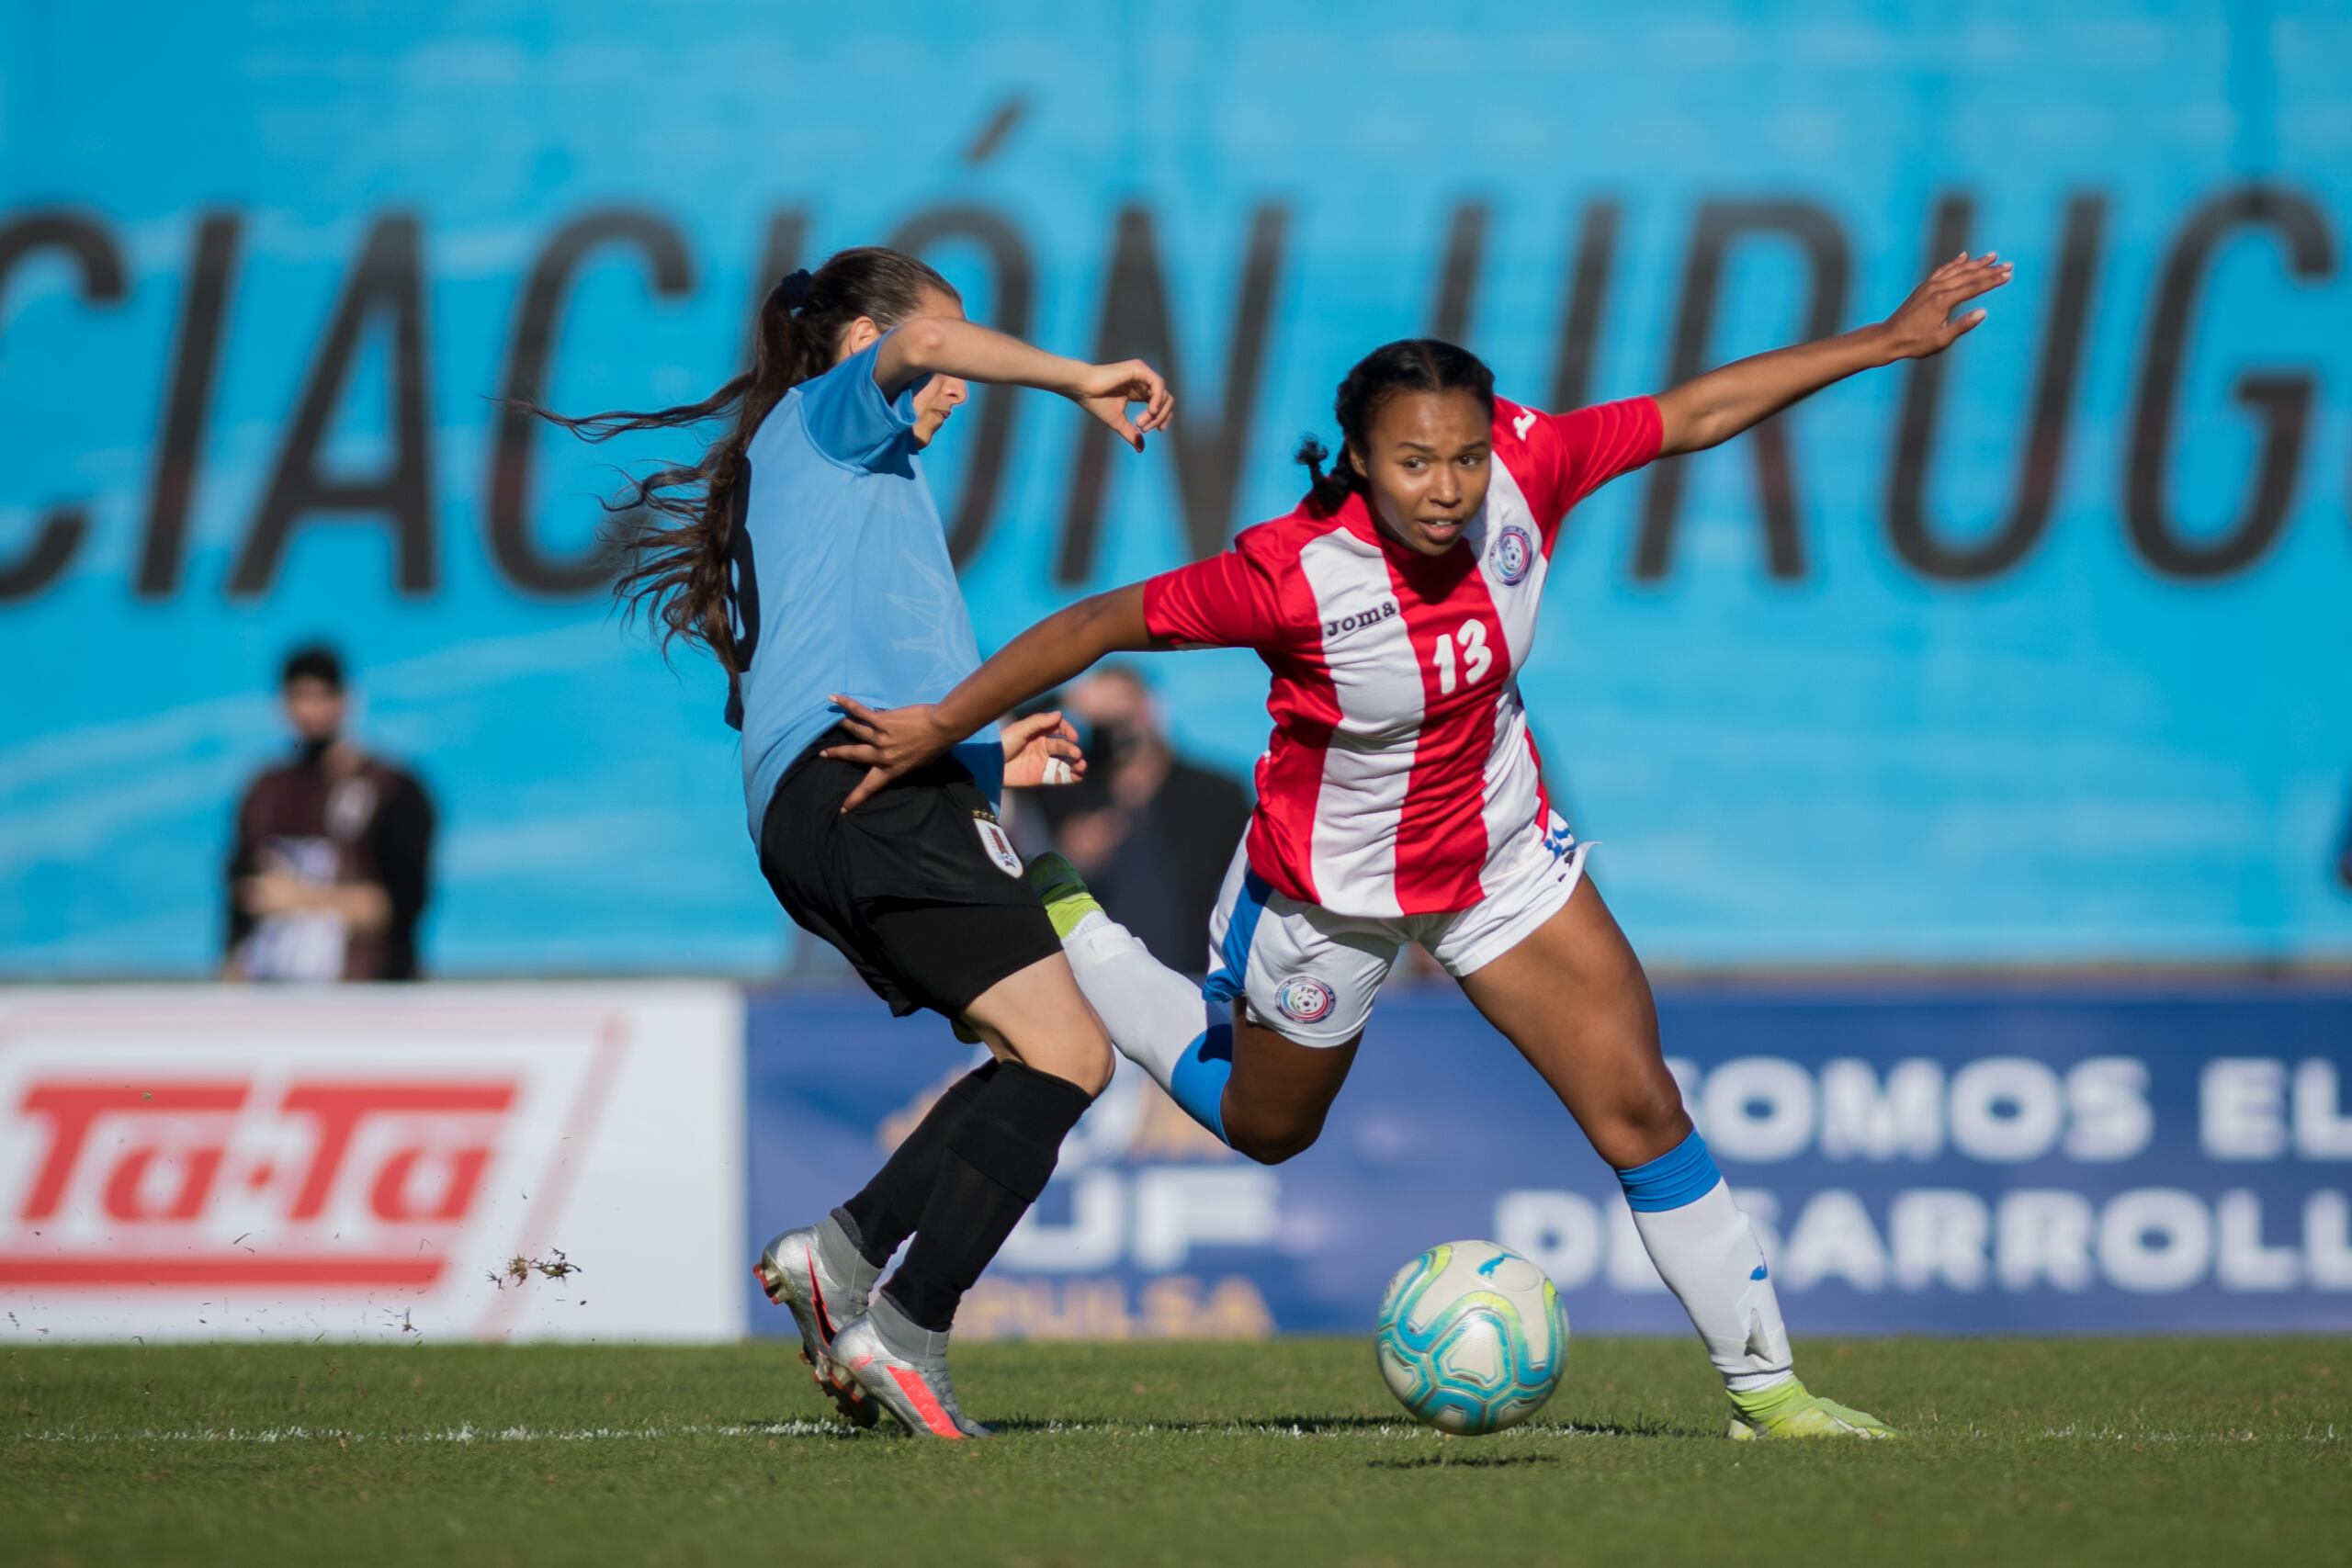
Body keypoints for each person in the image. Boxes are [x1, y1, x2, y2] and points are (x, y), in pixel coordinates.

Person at [820, 250, 2016, 1440]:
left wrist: (1885, 340)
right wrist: (942, 722)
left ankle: (1770, 1392)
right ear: (1358, 460)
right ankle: (1085, 930)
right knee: (1267, 1126)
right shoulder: (1287, 575)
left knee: (1643, 1107)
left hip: (1500, 865)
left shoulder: (1529, 469)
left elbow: (1694, 411)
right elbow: (1095, 621)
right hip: (1327, 895)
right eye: (1414, 461)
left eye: (1464, 455)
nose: (1447, 488)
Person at [535, 247, 1170, 1439]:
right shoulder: (826, 419)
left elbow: (860, 669)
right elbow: (918, 350)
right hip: (864, 798)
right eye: (946, 343)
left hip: (827, 806)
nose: (958, 376)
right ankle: (907, 1324)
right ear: (858, 342)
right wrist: (1080, 375)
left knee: (1023, 1051)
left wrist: (990, 758)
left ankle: (844, 1252)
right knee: (1073, 1056)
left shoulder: (851, 472)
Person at [223, 644, 435, 982]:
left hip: (366, 995)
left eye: (321, 697)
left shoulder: (392, 789)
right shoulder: (266, 790)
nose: (310, 711)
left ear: (346, 700)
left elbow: (403, 904)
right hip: (274, 994)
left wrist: (301, 899)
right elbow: (239, 896)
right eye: (299, 698)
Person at [1026, 665, 1250, 971]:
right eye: (1105, 714)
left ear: (1151, 708)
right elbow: (1004, 733)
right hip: (1097, 974)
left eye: (1127, 705)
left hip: (1195, 974)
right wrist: (1065, 697)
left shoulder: (1216, 792)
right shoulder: (1066, 788)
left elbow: (1250, 886)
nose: (1118, 722)